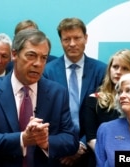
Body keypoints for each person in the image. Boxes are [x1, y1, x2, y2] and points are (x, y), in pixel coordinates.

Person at [0, 29, 79, 167]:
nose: (38, 64)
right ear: (14, 54)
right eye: (31, 55)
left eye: (43, 58)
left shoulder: (57, 93)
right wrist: (22, 139)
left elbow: (71, 141)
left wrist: (45, 142)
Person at [43, 17, 107, 166]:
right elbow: (45, 113)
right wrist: (63, 146)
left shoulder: (101, 71)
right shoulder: (47, 71)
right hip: (57, 154)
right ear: (60, 41)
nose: (72, 44)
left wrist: (82, 145)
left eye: (77, 38)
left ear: (86, 38)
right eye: (67, 39)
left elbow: (103, 114)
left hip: (90, 152)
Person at [83, 49, 130, 166]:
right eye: (115, 67)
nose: (118, 72)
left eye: (125, 68)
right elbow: (91, 139)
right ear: (109, 69)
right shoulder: (94, 99)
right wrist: (112, 159)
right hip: (103, 160)